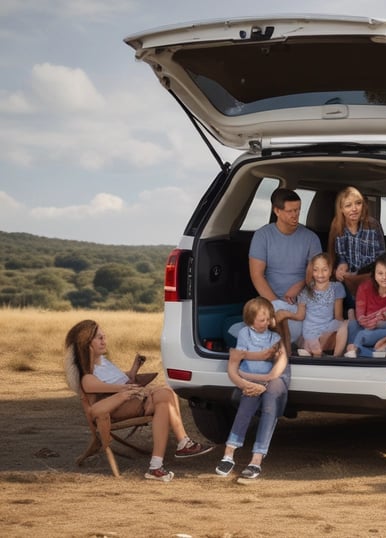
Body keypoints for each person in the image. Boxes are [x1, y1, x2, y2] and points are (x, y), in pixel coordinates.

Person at [64, 320, 213, 482]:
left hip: (131, 401)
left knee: (165, 397)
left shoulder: (104, 363)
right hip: (118, 408)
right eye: (99, 338)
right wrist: (130, 390)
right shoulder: (87, 376)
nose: (104, 341)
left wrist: (134, 370)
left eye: (104, 337)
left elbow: (121, 380)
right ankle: (182, 445)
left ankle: (158, 465)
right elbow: (107, 388)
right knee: (164, 393)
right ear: (87, 344)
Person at [216, 298, 290, 481]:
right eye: (261, 320)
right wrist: (246, 381)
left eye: (268, 319)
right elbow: (238, 357)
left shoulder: (275, 337)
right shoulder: (244, 334)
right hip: (250, 379)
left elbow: (277, 369)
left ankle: (256, 458)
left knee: (269, 407)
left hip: (268, 379)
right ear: (250, 321)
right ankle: (228, 453)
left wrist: (255, 379)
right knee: (245, 408)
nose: (266, 323)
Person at [249, 187, 322, 343]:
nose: (295, 215)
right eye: (290, 211)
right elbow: (257, 275)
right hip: (270, 301)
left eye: (298, 210)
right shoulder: (262, 236)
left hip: (303, 302)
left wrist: (300, 284)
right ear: (277, 211)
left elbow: (318, 274)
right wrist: (276, 304)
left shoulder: (311, 238)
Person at [327, 186, 386, 315]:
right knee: (340, 290)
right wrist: (340, 267)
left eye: (358, 203)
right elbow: (334, 256)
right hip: (347, 283)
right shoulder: (337, 227)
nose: (354, 209)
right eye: (348, 205)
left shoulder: (372, 225)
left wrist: (363, 275)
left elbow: (382, 257)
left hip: (370, 278)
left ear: (363, 205)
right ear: (341, 209)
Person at [294, 253, 349, 357]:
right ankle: (311, 347)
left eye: (324, 269)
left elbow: (338, 316)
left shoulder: (336, 287)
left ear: (331, 270)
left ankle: (336, 357)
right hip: (311, 330)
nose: (320, 274)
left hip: (327, 327)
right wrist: (284, 313)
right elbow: (300, 315)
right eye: (316, 270)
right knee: (316, 349)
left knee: (344, 324)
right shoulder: (306, 291)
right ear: (311, 271)